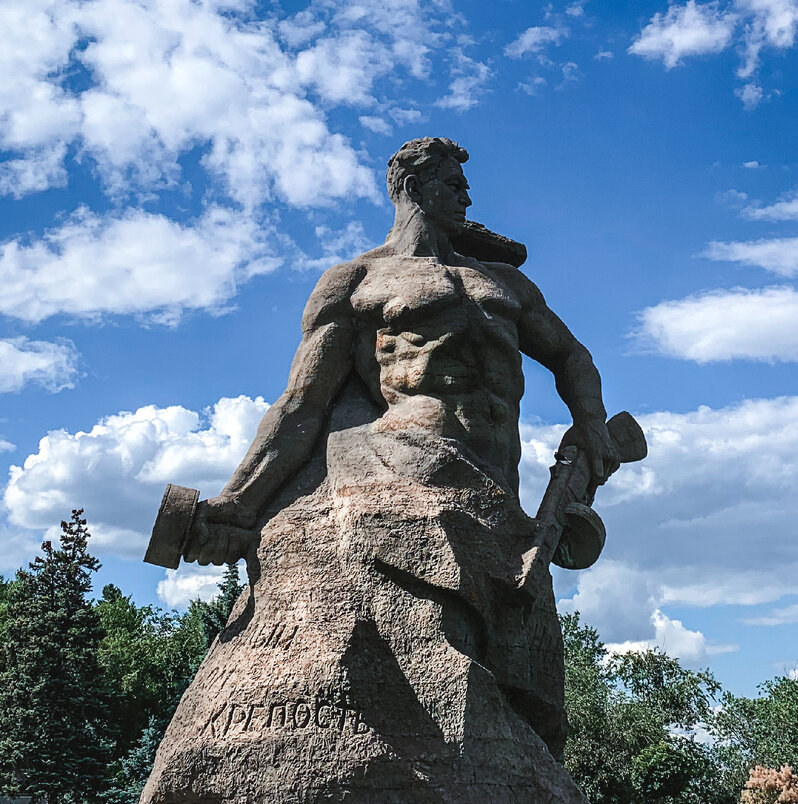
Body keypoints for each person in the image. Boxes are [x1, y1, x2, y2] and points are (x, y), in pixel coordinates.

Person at [142, 138, 619, 804]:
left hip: (494, 490)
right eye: (452, 183)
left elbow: (572, 356)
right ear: (413, 187)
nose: (467, 195)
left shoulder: (506, 284)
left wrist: (592, 424)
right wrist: (239, 503)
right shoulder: (357, 281)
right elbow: (303, 404)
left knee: (519, 652)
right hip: (406, 459)